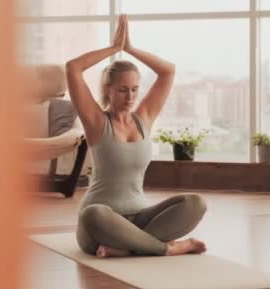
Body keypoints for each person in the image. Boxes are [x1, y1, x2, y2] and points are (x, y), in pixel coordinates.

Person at [65, 14, 207, 258]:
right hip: (101, 225)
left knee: (196, 203)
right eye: (122, 90)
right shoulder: (97, 122)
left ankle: (129, 248)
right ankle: (168, 248)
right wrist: (113, 48)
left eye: (134, 89)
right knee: (93, 213)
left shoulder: (144, 119)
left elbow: (168, 71)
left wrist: (130, 48)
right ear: (108, 90)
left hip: (141, 219)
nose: (130, 96)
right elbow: (73, 68)